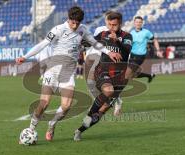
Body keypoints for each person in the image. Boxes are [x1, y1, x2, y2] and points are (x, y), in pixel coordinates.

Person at [16, 6, 121, 142]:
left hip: (68, 72)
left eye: (77, 23)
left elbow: (95, 43)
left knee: (66, 106)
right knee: (44, 103)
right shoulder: (58, 30)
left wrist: (109, 52)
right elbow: (42, 44)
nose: (75, 25)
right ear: (68, 18)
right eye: (73, 22)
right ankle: (31, 129)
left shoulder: (82, 29)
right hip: (52, 71)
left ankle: (52, 124)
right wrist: (25, 56)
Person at [74, 11, 133, 141]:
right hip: (103, 71)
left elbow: (126, 51)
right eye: (110, 24)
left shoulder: (127, 36)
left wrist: (117, 41)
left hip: (120, 78)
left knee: (102, 110)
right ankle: (89, 114)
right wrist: (79, 42)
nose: (112, 27)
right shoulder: (103, 34)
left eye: (115, 25)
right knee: (108, 90)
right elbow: (90, 42)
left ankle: (80, 130)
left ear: (120, 24)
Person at [128, 16, 163, 82]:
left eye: (140, 22)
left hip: (140, 56)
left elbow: (155, 40)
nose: (138, 23)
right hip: (132, 55)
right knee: (131, 75)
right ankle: (149, 75)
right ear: (134, 23)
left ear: (142, 23)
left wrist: (158, 50)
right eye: (137, 22)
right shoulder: (131, 33)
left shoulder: (146, 32)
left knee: (128, 74)